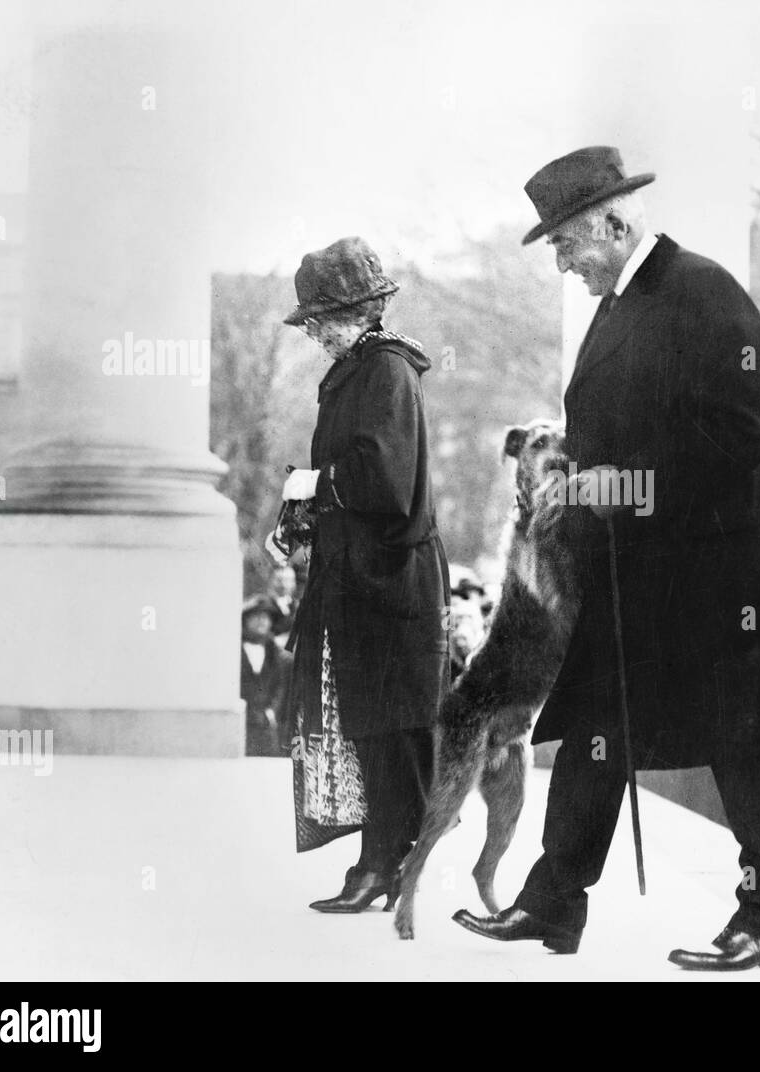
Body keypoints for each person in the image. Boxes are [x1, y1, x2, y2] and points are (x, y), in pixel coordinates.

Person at [454, 146, 760, 971]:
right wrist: (570, 477)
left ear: (615, 224)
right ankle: (553, 903)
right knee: (596, 724)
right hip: (638, 574)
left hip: (717, 577)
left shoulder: (703, 291)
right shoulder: (622, 304)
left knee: (743, 738)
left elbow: (741, 429)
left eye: (566, 244)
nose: (562, 264)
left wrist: (612, 485)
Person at [271, 236, 449, 913]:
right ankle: (378, 864)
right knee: (368, 726)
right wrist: (299, 515)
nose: (314, 331)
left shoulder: (385, 372)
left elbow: (387, 482)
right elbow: (361, 483)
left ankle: (388, 865)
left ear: (362, 310)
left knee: (390, 726)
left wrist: (316, 485)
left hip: (391, 580)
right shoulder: (358, 371)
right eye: (311, 319)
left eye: (323, 317)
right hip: (362, 576)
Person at [240, 594, 293, 757]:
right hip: (243, 727)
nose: (261, 621)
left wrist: (271, 712)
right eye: (256, 616)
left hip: (269, 729)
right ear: (245, 620)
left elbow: (282, 687)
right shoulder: (234, 652)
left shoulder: (279, 656)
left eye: (265, 617)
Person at [267, 564, 300, 648]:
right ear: (270, 582)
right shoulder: (264, 606)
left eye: (288, 580)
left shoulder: (299, 606)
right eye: (279, 580)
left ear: (294, 583)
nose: (283, 584)